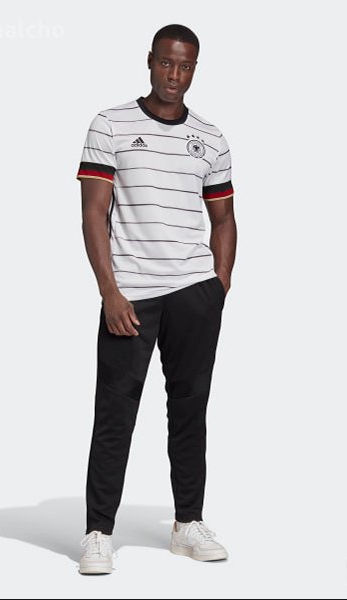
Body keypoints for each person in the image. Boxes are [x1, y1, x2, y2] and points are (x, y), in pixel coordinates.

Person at [75, 23, 237, 575]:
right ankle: (98, 532)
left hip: (195, 295)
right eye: (167, 63)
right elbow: (93, 212)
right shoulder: (111, 125)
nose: (174, 75)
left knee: (190, 410)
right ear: (150, 61)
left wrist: (217, 286)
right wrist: (110, 291)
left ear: (195, 69)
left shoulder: (211, 137)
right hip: (132, 297)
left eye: (185, 66)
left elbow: (223, 218)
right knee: (115, 414)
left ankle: (187, 523)